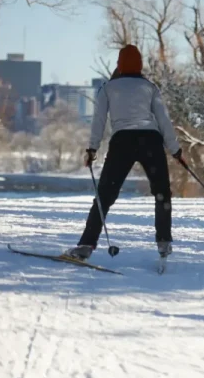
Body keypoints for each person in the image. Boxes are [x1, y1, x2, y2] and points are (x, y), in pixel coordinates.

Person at [64, 44, 184, 260]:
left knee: (104, 196)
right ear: (140, 65)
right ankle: (164, 242)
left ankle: (86, 245)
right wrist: (175, 150)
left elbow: (98, 121)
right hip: (151, 141)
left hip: (122, 143)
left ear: (119, 64)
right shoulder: (150, 87)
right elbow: (164, 121)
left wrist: (92, 149)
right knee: (162, 192)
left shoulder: (108, 88)